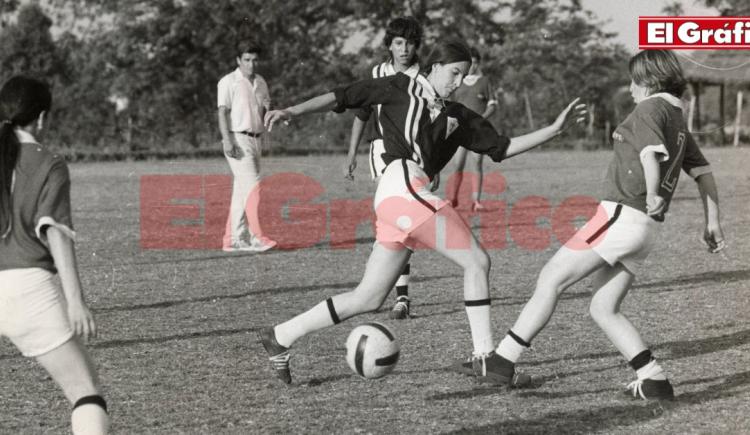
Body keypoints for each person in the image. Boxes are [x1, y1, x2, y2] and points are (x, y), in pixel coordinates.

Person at [259, 38, 586, 385]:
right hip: (402, 186)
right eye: (455, 73)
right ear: (435, 66)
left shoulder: (456, 114)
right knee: (476, 261)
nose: (459, 82)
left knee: (368, 297)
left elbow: (502, 147)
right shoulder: (401, 86)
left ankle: (280, 336)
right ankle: (485, 357)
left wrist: (554, 129)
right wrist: (291, 111)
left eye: (465, 76)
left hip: (402, 197)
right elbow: (343, 95)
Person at [472, 50, 725, 400]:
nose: (630, 87)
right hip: (646, 229)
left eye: (633, 80)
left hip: (623, 215)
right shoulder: (677, 118)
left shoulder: (650, 107)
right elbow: (703, 173)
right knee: (603, 308)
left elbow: (650, 154)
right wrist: (713, 223)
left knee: (551, 277)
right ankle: (653, 378)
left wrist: (652, 192)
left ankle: (502, 361)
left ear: (649, 81)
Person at [0, 76, 109, 434]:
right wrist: (76, 302)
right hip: (27, 287)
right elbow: (55, 235)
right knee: (85, 393)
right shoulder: (49, 163)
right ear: (42, 118)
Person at [343, 16, 423, 320]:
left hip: (415, 155)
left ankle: (400, 296)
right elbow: (362, 115)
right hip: (381, 153)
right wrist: (351, 153)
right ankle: (397, 295)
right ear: (389, 45)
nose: (404, 49)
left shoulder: (424, 76)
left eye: (410, 43)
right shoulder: (377, 73)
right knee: (394, 220)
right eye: (399, 43)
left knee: (404, 222)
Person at [217, 41, 277, 252]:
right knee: (253, 187)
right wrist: (227, 140)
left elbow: (265, 111)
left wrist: (270, 114)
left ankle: (232, 239)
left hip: (256, 138)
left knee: (242, 191)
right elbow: (223, 112)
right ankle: (256, 237)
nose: (252, 64)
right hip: (237, 138)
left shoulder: (260, 81)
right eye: (247, 60)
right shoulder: (228, 81)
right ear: (238, 60)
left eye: (255, 60)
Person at [445, 47, 498, 211]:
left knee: (477, 163)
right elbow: (449, 105)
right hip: (460, 130)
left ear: (478, 63)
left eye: (475, 62)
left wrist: (480, 119)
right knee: (457, 164)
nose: (472, 66)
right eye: (469, 63)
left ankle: (476, 201)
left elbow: (493, 105)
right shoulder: (457, 81)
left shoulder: (484, 81)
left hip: (477, 130)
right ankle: (453, 199)